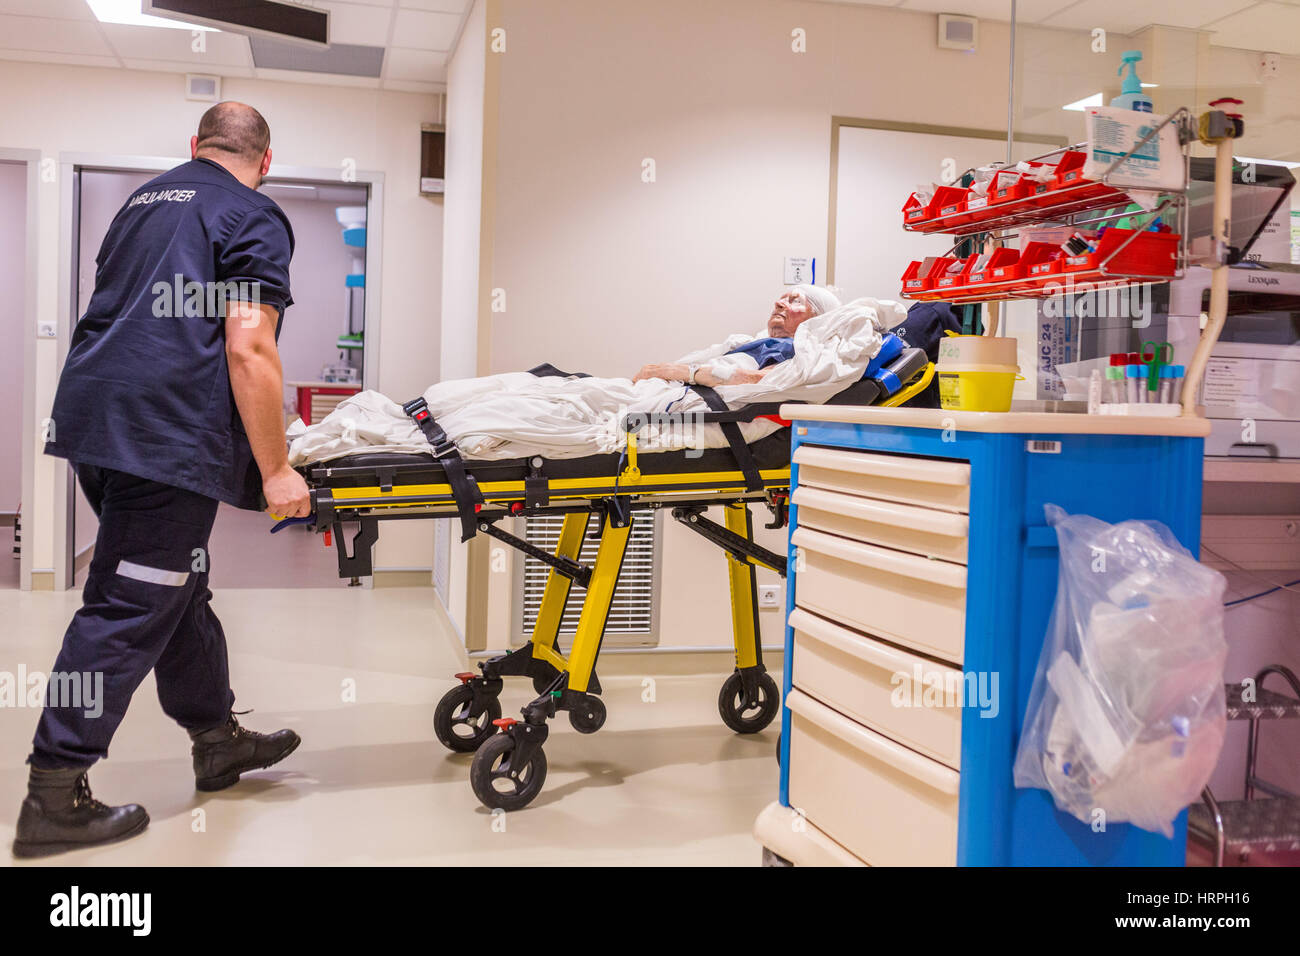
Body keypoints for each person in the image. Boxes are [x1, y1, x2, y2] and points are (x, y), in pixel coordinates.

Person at [14, 102, 309, 858]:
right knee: (128, 602)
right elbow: (249, 347)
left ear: (195, 146)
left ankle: (217, 741)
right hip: (162, 433)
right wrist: (277, 468)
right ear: (265, 160)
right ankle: (54, 795)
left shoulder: (141, 202)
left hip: (95, 420)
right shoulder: (252, 213)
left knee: (178, 586)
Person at [632, 284, 841, 388]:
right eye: (782, 299)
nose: (778, 303)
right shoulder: (760, 342)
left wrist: (677, 371)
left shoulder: (795, 349)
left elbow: (764, 381)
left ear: (817, 320)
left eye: (795, 301)